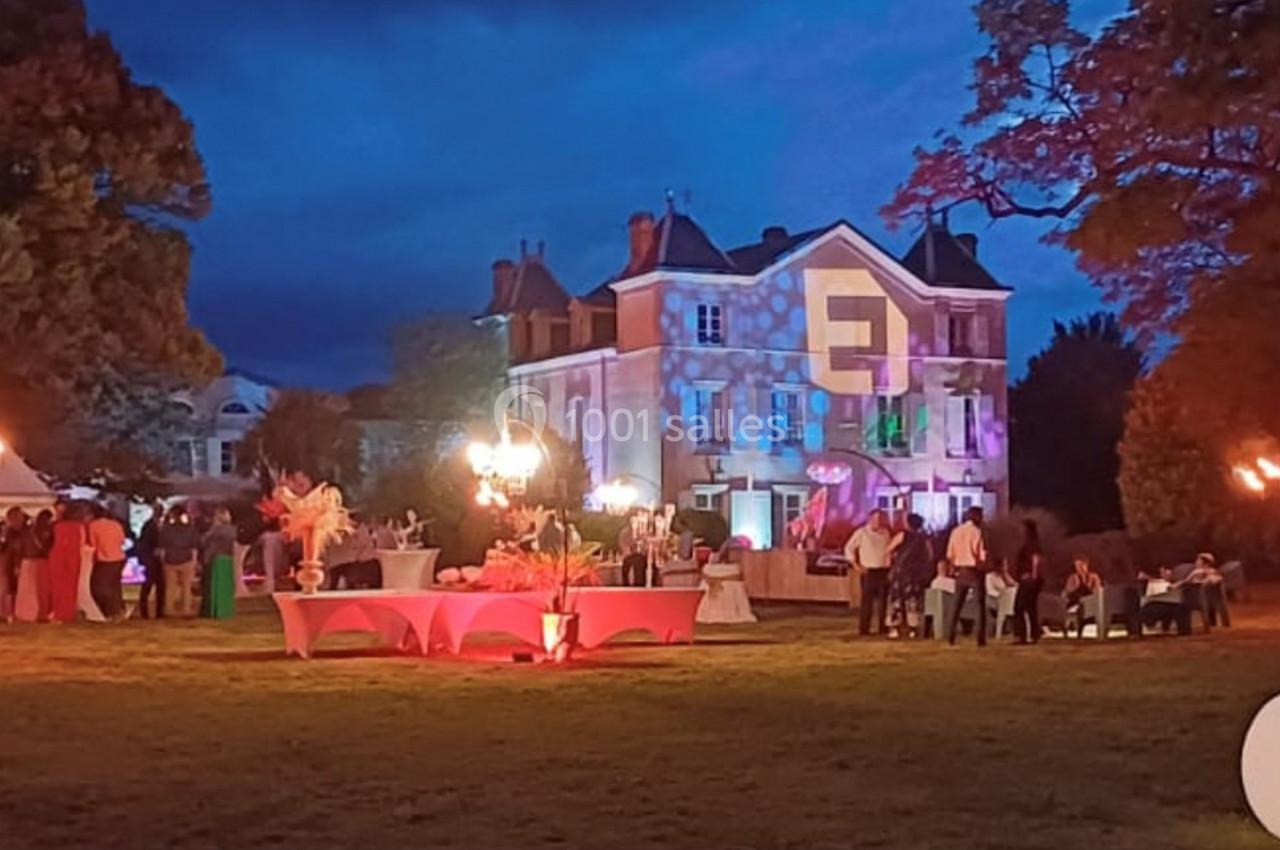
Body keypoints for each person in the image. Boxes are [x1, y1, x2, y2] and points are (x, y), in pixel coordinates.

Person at [844, 509, 893, 636]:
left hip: (883, 570)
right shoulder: (862, 533)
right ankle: (864, 629)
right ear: (870, 519)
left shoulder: (886, 533)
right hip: (869, 571)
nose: (879, 522)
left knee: (884, 601)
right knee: (867, 602)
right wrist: (856, 565)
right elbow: (848, 548)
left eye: (881, 519)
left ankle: (883, 627)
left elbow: (888, 551)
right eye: (876, 519)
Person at [945, 506, 988, 646]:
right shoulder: (977, 532)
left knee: (956, 604)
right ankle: (980, 638)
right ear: (977, 517)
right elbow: (981, 554)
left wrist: (953, 569)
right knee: (979, 606)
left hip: (960, 570)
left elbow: (950, 554)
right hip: (974, 570)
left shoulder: (956, 531)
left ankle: (950, 635)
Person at [886, 513, 933, 638]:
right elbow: (930, 556)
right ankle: (913, 628)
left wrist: (894, 558)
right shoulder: (924, 538)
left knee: (896, 600)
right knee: (913, 602)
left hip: (901, 573)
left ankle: (894, 628)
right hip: (916, 575)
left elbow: (889, 548)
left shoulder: (902, 535)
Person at [87, 504, 129, 621]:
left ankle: (111, 611)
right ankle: (119, 609)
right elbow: (121, 540)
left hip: (105, 558)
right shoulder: (116, 524)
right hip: (119, 557)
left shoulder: (93, 526)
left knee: (100, 587)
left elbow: (92, 543)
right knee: (115, 585)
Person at [48, 501, 87, 624]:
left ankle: (60, 612)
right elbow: (82, 542)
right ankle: (68, 612)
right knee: (71, 586)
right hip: (73, 556)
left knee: (58, 587)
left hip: (58, 556)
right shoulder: (79, 526)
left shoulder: (57, 526)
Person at [158, 504, 201, 618]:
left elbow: (162, 548)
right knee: (186, 586)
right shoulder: (190, 529)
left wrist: (163, 561)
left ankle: (169, 609)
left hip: (170, 559)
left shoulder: (166, 529)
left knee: (170, 586)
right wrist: (194, 561)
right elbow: (194, 547)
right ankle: (186, 609)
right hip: (186, 559)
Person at [1011, 519, 1044, 644]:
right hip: (1031, 579)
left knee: (1019, 607)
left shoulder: (1031, 544)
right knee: (1031, 607)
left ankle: (1022, 636)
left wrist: (1033, 575)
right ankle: (1034, 635)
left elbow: (1036, 559)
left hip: (1028, 580)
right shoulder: (1032, 543)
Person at [201, 507, 237, 618]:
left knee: (208, 585)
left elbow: (203, 540)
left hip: (213, 559)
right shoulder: (232, 530)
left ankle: (208, 609)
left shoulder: (216, 529)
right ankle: (224, 608)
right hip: (227, 559)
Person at [18, 509, 54, 622]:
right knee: (41, 590)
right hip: (42, 562)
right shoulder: (47, 530)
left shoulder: (28, 530)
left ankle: (26, 613)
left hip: (27, 562)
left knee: (28, 591)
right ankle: (41, 613)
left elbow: (21, 547)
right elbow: (50, 546)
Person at [136, 502, 166, 619]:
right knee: (149, 584)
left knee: (160, 585)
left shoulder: (160, 525)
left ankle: (159, 612)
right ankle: (145, 611)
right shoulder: (149, 525)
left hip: (157, 559)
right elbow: (145, 542)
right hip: (150, 558)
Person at [0, 507, 29, 623]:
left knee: (12, 589)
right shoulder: (11, 533)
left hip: (13, 563)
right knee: (8, 589)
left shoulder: (20, 532)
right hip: (9, 564)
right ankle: (8, 612)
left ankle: (11, 612)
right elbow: (13, 549)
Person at [618, 516, 647, 587]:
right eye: (633, 522)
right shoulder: (624, 532)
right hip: (628, 555)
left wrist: (641, 547)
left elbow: (645, 545)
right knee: (628, 564)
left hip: (639, 555)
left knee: (640, 561)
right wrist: (630, 547)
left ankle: (640, 584)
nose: (635, 523)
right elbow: (622, 543)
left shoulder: (641, 533)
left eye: (636, 522)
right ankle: (626, 584)